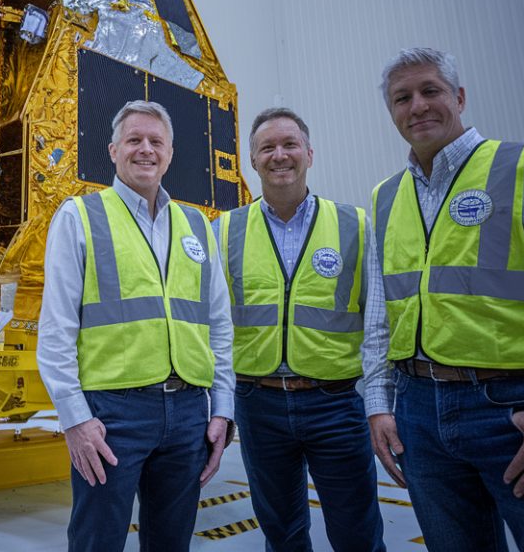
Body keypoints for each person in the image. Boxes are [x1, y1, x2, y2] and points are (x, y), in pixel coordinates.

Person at [362, 47, 524, 551]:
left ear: (459, 98)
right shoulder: (387, 197)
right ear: (392, 112)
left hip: (518, 410)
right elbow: (381, 316)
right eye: (402, 98)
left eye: (430, 91)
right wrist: (379, 405)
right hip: (418, 410)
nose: (417, 106)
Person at [37, 100, 235, 552]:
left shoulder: (197, 226)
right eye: (134, 140)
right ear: (112, 150)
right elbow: (56, 329)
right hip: (111, 416)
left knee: (171, 542)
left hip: (188, 412)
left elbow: (218, 325)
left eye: (155, 142)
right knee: (97, 540)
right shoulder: (80, 216)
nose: (145, 149)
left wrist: (222, 407)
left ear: (169, 153)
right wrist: (75, 420)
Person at [216, 108, 384, 552]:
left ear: (309, 153)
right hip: (258, 404)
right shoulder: (226, 231)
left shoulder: (356, 226)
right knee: (283, 534)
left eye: (289, 144)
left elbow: (382, 321)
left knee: (357, 534)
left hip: (335, 403)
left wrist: (382, 401)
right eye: (266, 147)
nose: (279, 155)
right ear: (251, 160)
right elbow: (212, 327)